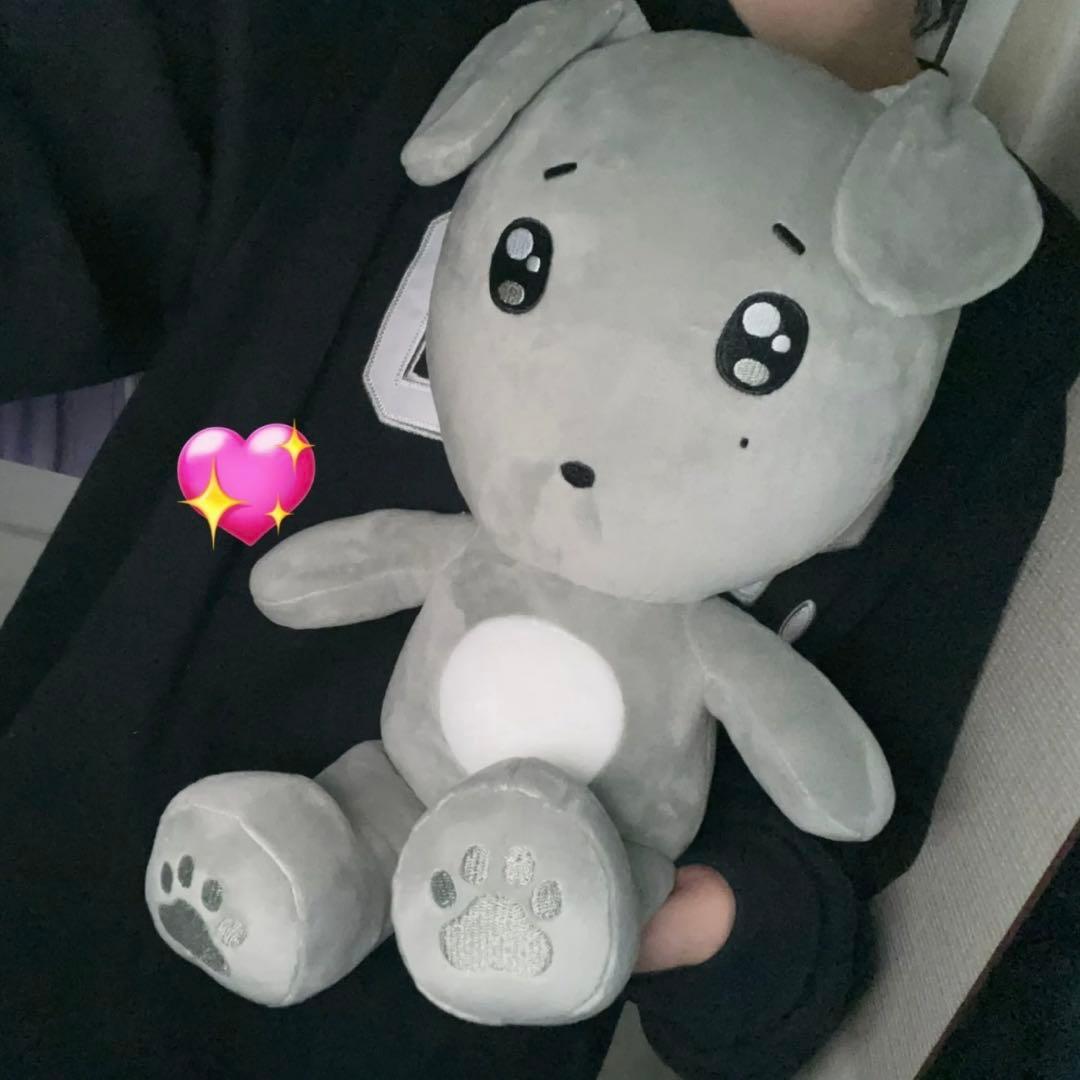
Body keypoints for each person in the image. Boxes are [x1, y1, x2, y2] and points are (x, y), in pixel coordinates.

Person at [1, 2, 1076, 1079]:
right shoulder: (404, 31)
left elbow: (812, 900)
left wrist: (616, 910)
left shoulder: (1000, 290)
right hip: (44, 898)